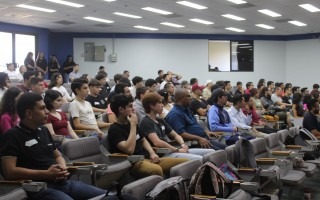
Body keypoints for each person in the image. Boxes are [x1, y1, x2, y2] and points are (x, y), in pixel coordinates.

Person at [0, 92, 106, 199]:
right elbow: (9, 172)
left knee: (109, 196)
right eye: (42, 108)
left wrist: (62, 167)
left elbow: (57, 155)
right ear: (29, 113)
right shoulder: (11, 136)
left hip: (63, 184)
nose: (46, 112)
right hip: (39, 188)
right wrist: (45, 174)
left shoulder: (44, 130)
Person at [108, 94, 188, 179]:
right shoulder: (114, 129)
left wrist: (152, 153)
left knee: (185, 162)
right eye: (130, 106)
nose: (133, 109)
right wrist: (133, 125)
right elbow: (129, 149)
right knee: (156, 170)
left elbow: (143, 140)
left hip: (148, 158)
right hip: (134, 163)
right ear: (121, 109)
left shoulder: (131, 124)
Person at [140, 92, 214, 161]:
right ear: (152, 105)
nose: (162, 105)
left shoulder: (160, 120)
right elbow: (157, 142)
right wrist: (177, 150)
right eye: (159, 103)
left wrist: (182, 144)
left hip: (173, 151)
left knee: (211, 152)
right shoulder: (146, 122)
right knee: (200, 159)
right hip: (163, 155)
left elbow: (175, 135)